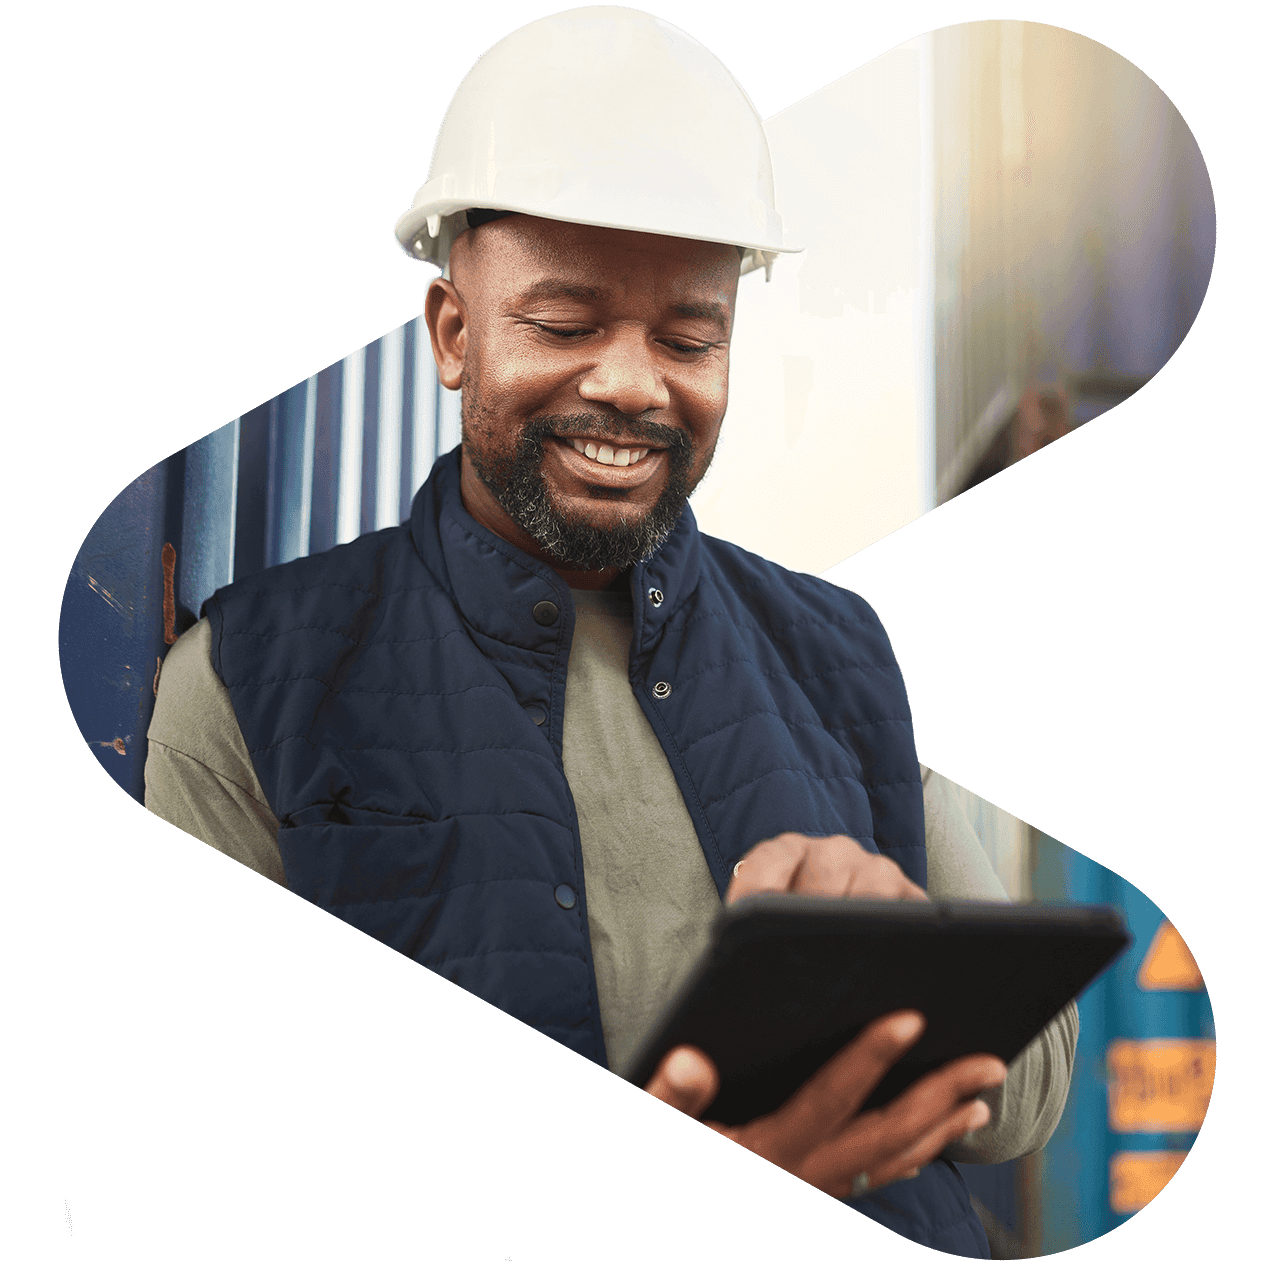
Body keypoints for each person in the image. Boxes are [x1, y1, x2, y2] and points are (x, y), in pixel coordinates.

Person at [144, 8, 1075, 1257]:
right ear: (453, 334)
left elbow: (1024, 1094)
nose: (634, 384)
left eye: (689, 337)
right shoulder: (250, 683)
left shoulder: (837, 651)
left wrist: (893, 942)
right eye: (567, 323)